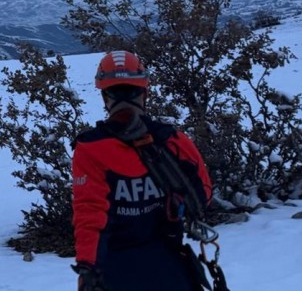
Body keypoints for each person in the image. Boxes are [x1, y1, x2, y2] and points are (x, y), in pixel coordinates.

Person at [71, 51, 213, 291]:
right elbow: (203, 195)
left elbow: (90, 215)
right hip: (170, 262)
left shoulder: (90, 149)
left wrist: (88, 267)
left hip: (114, 267)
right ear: (145, 93)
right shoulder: (173, 140)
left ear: (105, 97)